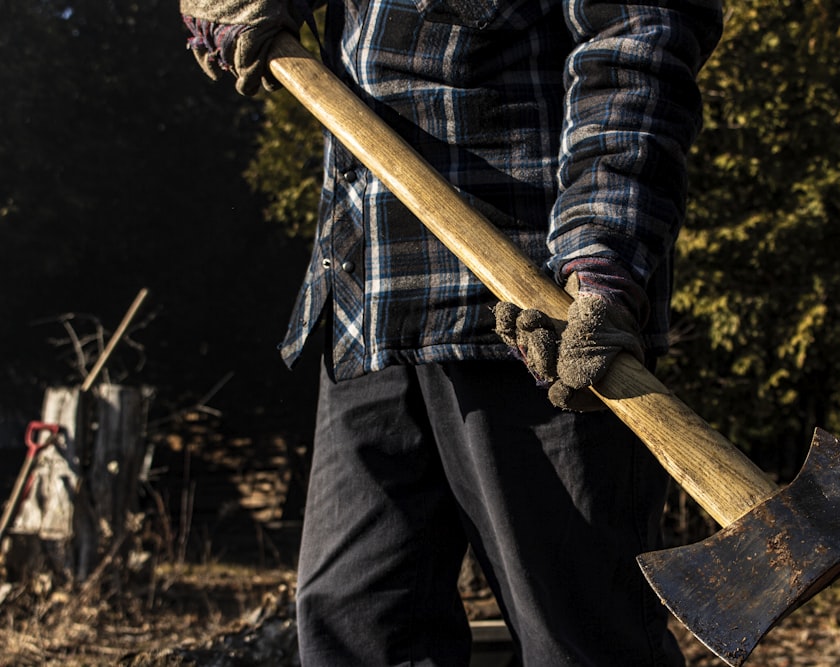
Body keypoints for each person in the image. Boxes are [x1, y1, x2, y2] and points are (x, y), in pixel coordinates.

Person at [179, 0, 723, 664]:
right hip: (365, 297)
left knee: (578, 639)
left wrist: (602, 253)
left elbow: (641, 37)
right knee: (357, 630)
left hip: (535, 323)